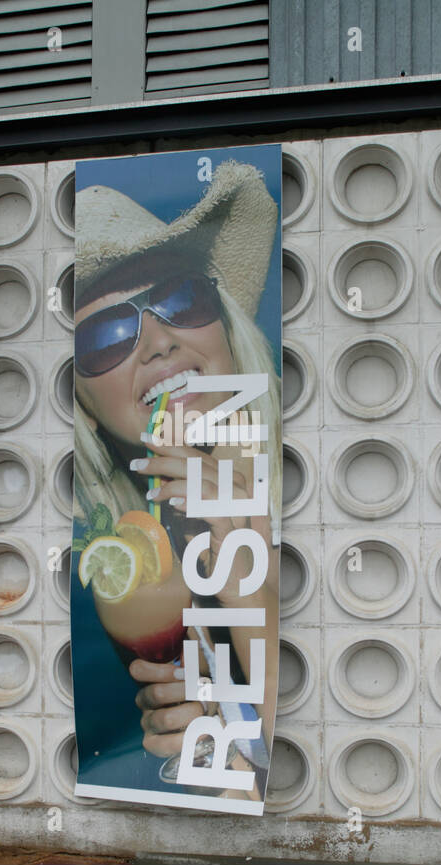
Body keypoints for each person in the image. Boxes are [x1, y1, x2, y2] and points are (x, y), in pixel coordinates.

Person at [72, 159, 282, 785]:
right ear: (79, 398)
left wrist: (242, 571)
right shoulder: (136, 556)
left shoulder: (335, 468)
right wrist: (213, 731)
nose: (158, 341)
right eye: (107, 335)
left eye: (179, 299)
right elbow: (262, 768)